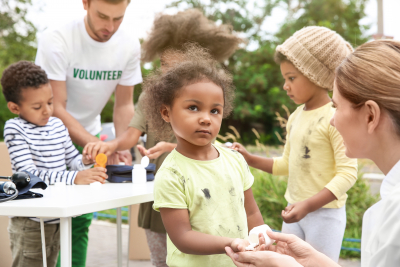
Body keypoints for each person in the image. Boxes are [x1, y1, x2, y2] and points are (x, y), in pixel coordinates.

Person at [83, 9, 244, 267]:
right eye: (163, 66)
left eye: (175, 68)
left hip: (201, 199)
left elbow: (212, 148)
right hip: (163, 197)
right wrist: (110, 144)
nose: (167, 76)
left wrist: (172, 146)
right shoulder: (150, 98)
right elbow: (130, 135)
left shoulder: (208, 98)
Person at [226, 39, 400, 267]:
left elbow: (346, 174)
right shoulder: (390, 204)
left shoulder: (393, 215)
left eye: (336, 107)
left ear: (370, 116)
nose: (332, 120)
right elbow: (287, 163)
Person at [231, 26, 358, 262]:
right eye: (284, 79)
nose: (284, 86)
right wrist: (249, 158)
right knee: (287, 264)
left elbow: (348, 173)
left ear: (316, 75)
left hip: (325, 215)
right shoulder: (295, 116)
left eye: (291, 78)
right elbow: (286, 165)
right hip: (295, 210)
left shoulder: (335, 116)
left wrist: (309, 205)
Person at [34, 0, 142, 265]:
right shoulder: (56, 39)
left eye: (118, 18)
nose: (110, 27)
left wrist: (120, 146)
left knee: (81, 220)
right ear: (85, 3)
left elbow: (124, 104)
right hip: (49, 136)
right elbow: (56, 107)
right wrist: (99, 145)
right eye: (102, 16)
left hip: (90, 137)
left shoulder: (129, 44)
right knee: (47, 222)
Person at [137, 45, 264, 267]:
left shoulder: (235, 160)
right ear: (166, 112)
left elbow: (252, 212)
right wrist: (232, 243)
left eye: (215, 111)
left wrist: (262, 244)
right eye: (194, 108)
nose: (206, 118)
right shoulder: (171, 174)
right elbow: (183, 238)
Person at [1, 61, 108, 267]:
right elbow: (30, 176)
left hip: (56, 218)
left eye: (50, 102)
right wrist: (75, 177)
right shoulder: (15, 129)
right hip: (30, 222)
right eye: (37, 106)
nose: (47, 111)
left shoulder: (58, 125)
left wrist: (85, 160)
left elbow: (72, 162)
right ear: (15, 107)